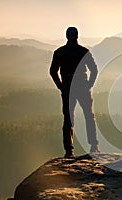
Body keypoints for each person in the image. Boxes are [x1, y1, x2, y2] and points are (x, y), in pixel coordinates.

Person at [49, 27, 99, 158]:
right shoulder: (83, 51)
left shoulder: (60, 52)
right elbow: (94, 70)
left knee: (68, 119)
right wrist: (89, 84)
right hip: (82, 86)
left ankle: (69, 150)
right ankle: (94, 146)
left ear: (67, 36)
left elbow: (53, 71)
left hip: (68, 87)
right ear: (77, 35)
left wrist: (61, 86)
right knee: (89, 116)